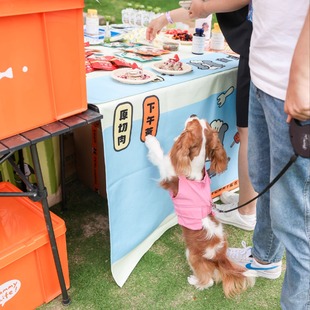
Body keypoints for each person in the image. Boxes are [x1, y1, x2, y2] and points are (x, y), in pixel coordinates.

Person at [189, 1, 309, 310]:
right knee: (262, 178)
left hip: (294, 88)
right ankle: (265, 257)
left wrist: (302, 77)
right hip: (263, 74)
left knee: (297, 218)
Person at [146, 4, 257, 231]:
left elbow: (203, 8)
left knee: (249, 134)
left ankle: (247, 212)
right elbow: (198, 8)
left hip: (258, 51)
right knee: (250, 133)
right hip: (256, 47)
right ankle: (248, 200)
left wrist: (200, 7)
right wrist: (166, 17)